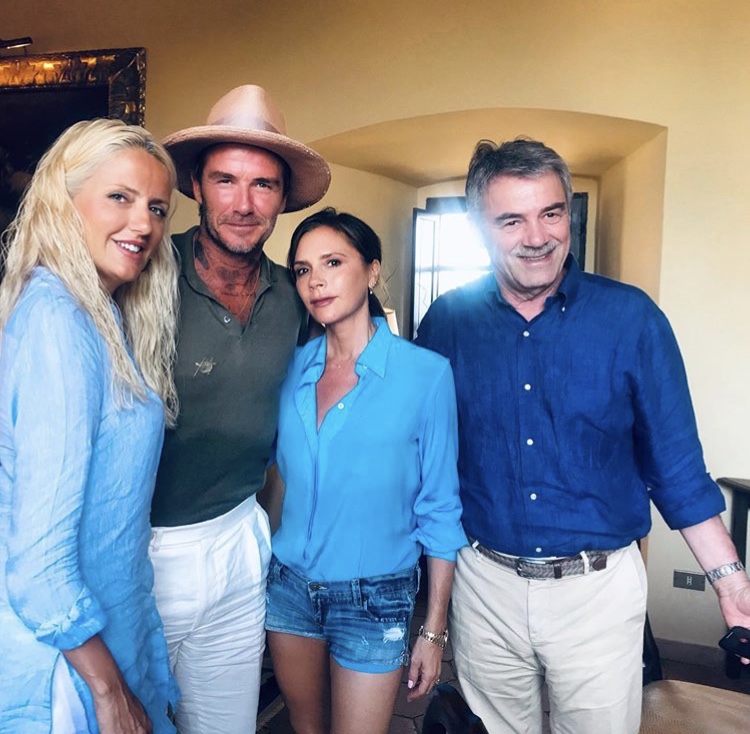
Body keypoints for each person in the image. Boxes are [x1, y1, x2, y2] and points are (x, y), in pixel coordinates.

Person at [415, 137, 750, 734]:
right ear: (480, 228)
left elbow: (676, 467)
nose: (537, 236)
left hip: (597, 591)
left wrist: (730, 582)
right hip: (483, 582)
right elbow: (423, 454)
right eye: (511, 220)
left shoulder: (632, 318)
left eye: (551, 213)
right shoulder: (447, 321)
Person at [150, 85, 331, 733]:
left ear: (283, 198)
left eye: (263, 185)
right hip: (142, 548)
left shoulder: (297, 298)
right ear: (197, 186)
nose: (244, 204)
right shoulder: (143, 275)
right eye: (226, 180)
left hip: (238, 539)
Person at [0, 118, 180, 733]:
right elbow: (39, 566)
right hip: (64, 666)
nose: (143, 224)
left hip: (104, 633)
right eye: (119, 197)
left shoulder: (99, 313)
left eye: (157, 207)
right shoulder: (58, 322)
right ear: (64, 199)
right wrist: (109, 690)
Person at [265, 208, 466, 734]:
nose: (316, 281)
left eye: (333, 262)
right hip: (289, 589)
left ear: (372, 271)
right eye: (303, 270)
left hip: (376, 595)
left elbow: (440, 507)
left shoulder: (426, 375)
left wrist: (434, 630)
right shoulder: (289, 369)